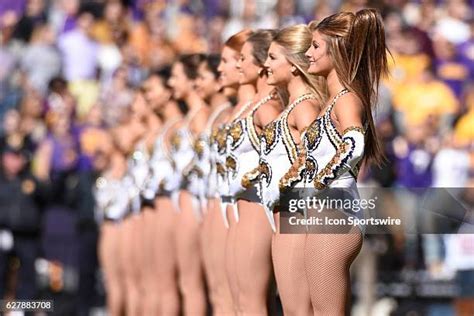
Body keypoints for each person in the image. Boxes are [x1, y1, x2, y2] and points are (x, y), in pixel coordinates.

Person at [294, 9, 389, 314]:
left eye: (316, 46)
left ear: (336, 50)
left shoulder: (347, 98)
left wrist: (325, 176)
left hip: (334, 215)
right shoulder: (332, 101)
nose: (308, 54)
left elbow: (354, 141)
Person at [251, 24, 325, 315]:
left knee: (298, 310)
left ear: (294, 65)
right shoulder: (292, 106)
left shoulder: (305, 107)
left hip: (298, 217)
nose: (265, 65)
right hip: (285, 216)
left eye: (272, 57)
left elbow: (316, 159)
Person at [227, 29, 283, 315]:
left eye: (242, 58)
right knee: (239, 301)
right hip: (240, 208)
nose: (237, 65)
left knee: (252, 304)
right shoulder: (254, 107)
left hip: (258, 209)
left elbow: (285, 156)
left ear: (261, 64)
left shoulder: (268, 108)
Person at [168, 53, 210, 316]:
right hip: (185, 200)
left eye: (176, 76)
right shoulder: (192, 116)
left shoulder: (200, 115)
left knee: (193, 285)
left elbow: (205, 161)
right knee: (186, 284)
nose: (172, 83)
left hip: (196, 201)